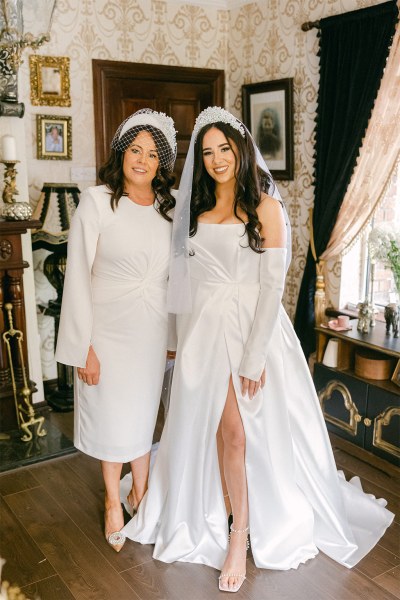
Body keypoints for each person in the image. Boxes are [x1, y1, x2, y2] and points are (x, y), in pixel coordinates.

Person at [120, 107, 393, 590]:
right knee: (216, 432)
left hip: (253, 333)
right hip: (204, 335)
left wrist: (253, 355)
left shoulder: (266, 208)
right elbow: (186, 285)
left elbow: (273, 290)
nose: (216, 159)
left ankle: (239, 534)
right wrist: (177, 344)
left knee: (239, 435)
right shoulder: (198, 212)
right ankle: (219, 513)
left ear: (241, 150)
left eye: (224, 148)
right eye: (206, 152)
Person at [55, 108, 177, 553]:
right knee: (111, 418)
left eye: (151, 153)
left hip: (151, 331)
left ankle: (140, 493)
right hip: (105, 331)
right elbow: (78, 278)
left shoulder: (173, 208)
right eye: (134, 149)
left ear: (162, 162)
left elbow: (179, 277)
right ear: (121, 153)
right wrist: (82, 345)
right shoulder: (97, 200)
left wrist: (172, 340)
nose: (141, 159)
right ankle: (112, 499)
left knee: (143, 418)